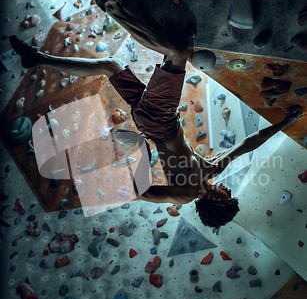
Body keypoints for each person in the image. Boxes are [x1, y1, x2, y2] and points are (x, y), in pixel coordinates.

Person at [9, 12, 303, 228]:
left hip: (159, 123)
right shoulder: (210, 171)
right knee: (109, 66)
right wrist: (284, 123)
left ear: (218, 202)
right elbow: (248, 145)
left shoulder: (185, 195)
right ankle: (38, 58)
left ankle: (115, 6)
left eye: (229, 197)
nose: (229, 191)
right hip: (155, 122)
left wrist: (140, 152)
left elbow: (142, 191)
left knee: (177, 52)